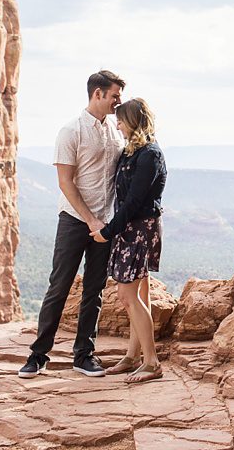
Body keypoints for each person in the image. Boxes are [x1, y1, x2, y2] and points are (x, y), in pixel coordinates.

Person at [19, 70, 126, 378]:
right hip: (75, 220)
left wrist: (109, 222)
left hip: (106, 223)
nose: (119, 101)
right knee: (60, 285)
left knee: (95, 289)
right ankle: (38, 355)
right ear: (98, 94)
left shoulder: (116, 131)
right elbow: (65, 183)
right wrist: (91, 219)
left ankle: (84, 355)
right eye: (115, 95)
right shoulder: (71, 131)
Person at [91, 97, 167, 384]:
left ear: (133, 121)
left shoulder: (150, 155)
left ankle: (152, 362)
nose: (118, 124)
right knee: (138, 295)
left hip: (140, 229)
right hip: (129, 229)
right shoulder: (131, 152)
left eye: (121, 120)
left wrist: (107, 232)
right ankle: (132, 356)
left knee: (127, 295)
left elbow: (134, 201)